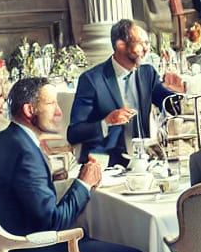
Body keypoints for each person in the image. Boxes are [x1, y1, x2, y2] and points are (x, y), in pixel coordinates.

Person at [0, 77, 147, 252]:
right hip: (26, 250)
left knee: (90, 236)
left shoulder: (2, 141)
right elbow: (53, 221)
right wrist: (84, 184)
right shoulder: (25, 152)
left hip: (2, 243)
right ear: (29, 110)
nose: (58, 112)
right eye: (51, 104)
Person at [67, 19, 186, 166]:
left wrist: (179, 95)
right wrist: (106, 122)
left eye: (147, 43)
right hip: (106, 164)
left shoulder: (147, 73)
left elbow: (170, 105)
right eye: (140, 43)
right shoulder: (92, 80)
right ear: (120, 46)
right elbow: (73, 133)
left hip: (145, 161)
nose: (146, 49)